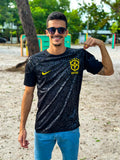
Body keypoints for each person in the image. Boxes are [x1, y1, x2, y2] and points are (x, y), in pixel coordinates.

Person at [18, 11, 114, 160]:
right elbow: (28, 94)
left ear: (66, 32)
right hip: (43, 129)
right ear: (47, 33)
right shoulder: (34, 61)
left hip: (70, 129)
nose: (56, 33)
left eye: (61, 30)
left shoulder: (79, 56)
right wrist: (22, 128)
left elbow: (108, 71)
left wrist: (101, 44)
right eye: (52, 30)